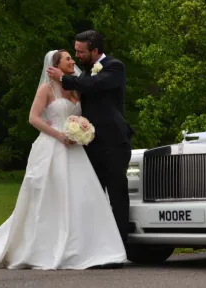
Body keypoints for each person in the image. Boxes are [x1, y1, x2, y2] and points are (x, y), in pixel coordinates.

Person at [0, 50, 127, 270]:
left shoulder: (76, 89)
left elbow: (81, 114)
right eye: (68, 59)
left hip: (75, 150)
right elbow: (33, 118)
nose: (73, 61)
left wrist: (81, 130)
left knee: (81, 196)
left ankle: (84, 247)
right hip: (51, 146)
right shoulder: (46, 89)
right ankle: (42, 246)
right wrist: (59, 136)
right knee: (50, 195)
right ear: (55, 65)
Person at [47, 30, 134, 250]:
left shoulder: (115, 67)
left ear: (95, 50)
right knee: (92, 196)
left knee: (117, 195)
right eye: (74, 51)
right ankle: (95, 246)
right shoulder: (84, 74)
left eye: (81, 51)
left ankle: (120, 247)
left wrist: (63, 78)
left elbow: (94, 86)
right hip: (91, 145)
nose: (77, 56)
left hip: (115, 143)